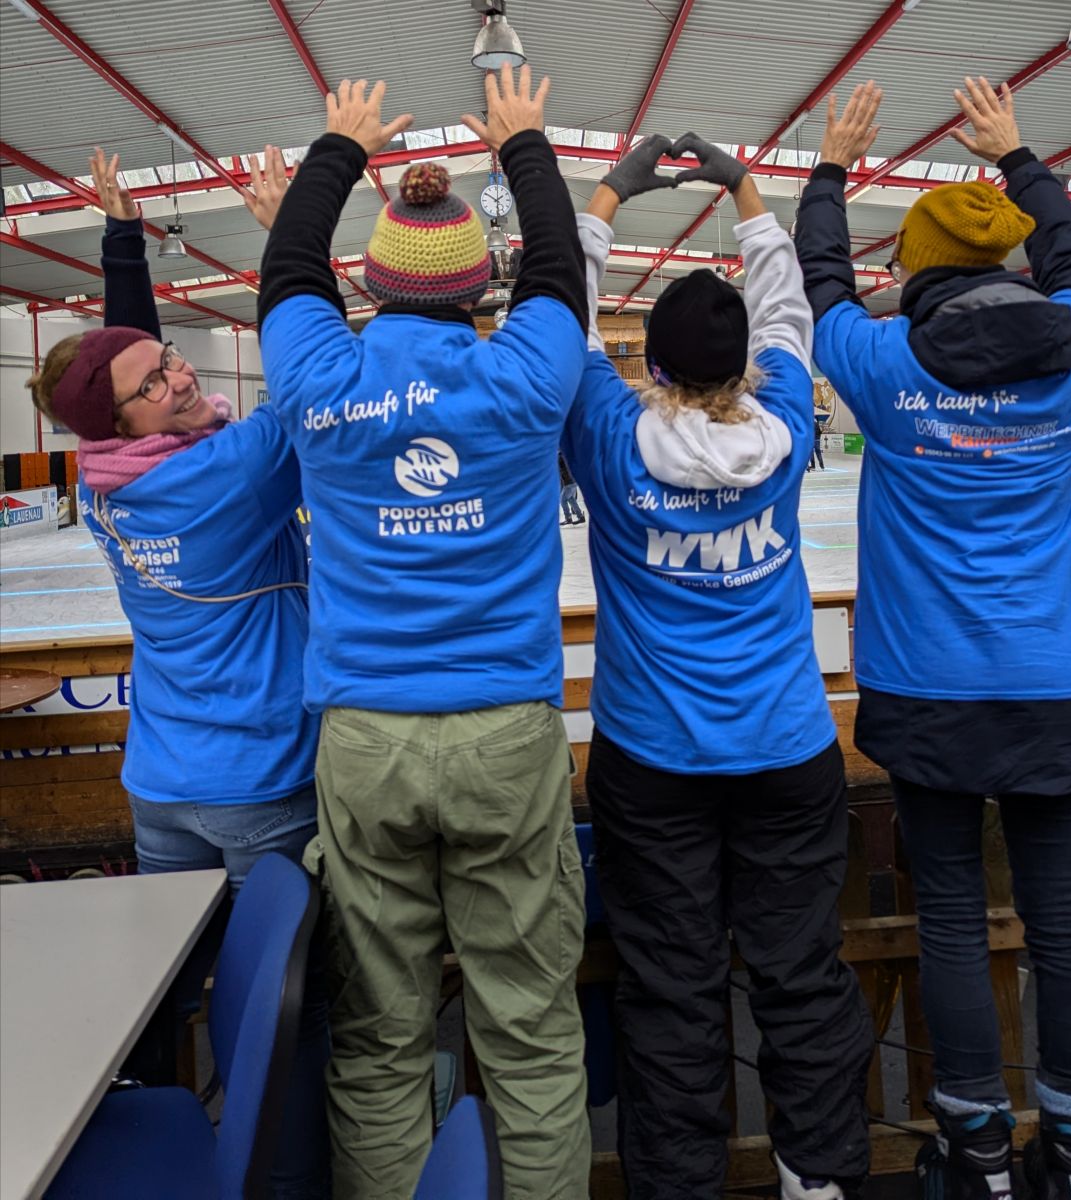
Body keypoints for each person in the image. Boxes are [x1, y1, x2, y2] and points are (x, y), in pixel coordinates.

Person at [795, 79, 1071, 1200]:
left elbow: (822, 281)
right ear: (1009, 259)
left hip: (930, 685)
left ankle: (976, 1148)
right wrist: (1021, 156)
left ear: (920, 272)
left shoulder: (886, 368)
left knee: (948, 917)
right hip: (1061, 680)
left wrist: (831, 168)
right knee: (1061, 919)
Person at [256, 72, 590, 1198]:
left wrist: (339, 148)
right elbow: (559, 268)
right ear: (483, 285)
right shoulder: (524, 376)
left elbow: (288, 271)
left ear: (368, 281)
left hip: (367, 737)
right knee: (530, 1031)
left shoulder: (319, 377)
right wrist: (525, 146)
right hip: (504, 732)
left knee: (379, 1033)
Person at [566, 132, 872, 1200]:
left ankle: (679, 1181)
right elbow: (787, 312)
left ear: (648, 365)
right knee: (800, 973)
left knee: (671, 985)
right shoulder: (784, 418)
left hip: (653, 762)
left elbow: (561, 322)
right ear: (745, 364)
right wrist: (745, 190)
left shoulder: (607, 431)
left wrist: (607, 197)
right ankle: (819, 1176)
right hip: (786, 750)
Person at [27, 146, 328, 1199]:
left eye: (171, 360)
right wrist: (291, 236)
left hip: (162, 787)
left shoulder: (105, 481)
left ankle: (162, 1153)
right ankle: (284, 1187)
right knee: (282, 1024)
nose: (180, 375)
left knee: (173, 1001)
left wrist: (124, 240)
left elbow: (116, 366)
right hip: (259, 786)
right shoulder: (230, 476)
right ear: (127, 423)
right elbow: (313, 372)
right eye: (156, 385)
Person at [559, 452, 586, 524]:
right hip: (573, 481)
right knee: (571, 499)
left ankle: (568, 518)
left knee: (562, 500)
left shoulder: (560, 457)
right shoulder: (565, 455)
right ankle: (581, 517)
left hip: (569, 483)